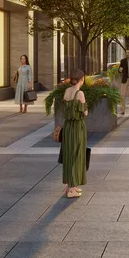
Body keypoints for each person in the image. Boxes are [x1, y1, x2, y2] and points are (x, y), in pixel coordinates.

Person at [55, 69, 87, 198]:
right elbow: (85, 113)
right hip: (77, 127)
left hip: (67, 127)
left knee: (68, 155)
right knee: (76, 155)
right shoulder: (80, 94)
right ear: (82, 79)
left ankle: (69, 186)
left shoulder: (67, 92)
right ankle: (72, 189)